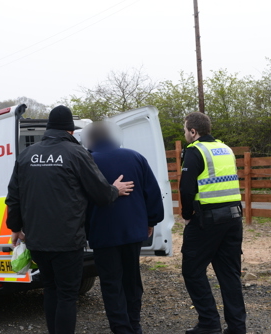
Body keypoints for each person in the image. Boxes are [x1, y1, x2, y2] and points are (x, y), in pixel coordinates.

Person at [5, 105, 134, 334]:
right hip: (67, 241)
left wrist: (15, 228)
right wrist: (114, 189)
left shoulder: (26, 155)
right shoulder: (76, 154)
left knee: (51, 290)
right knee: (66, 295)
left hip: (36, 241)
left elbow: (13, 197)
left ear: (48, 128)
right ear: (70, 131)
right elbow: (101, 195)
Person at [83, 121, 164, 334]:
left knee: (111, 283)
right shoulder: (135, 157)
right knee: (131, 278)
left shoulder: (88, 162)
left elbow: (80, 201)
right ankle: (134, 324)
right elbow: (152, 193)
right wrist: (151, 221)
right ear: (111, 137)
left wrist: (83, 230)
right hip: (133, 231)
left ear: (90, 139)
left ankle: (121, 328)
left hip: (103, 233)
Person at [179, 112, 246, 334]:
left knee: (192, 269)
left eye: (186, 130)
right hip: (234, 218)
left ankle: (209, 323)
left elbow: (187, 188)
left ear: (193, 131)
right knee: (229, 273)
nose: (185, 134)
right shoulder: (226, 149)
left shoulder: (194, 150)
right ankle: (237, 327)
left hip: (207, 220)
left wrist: (187, 214)